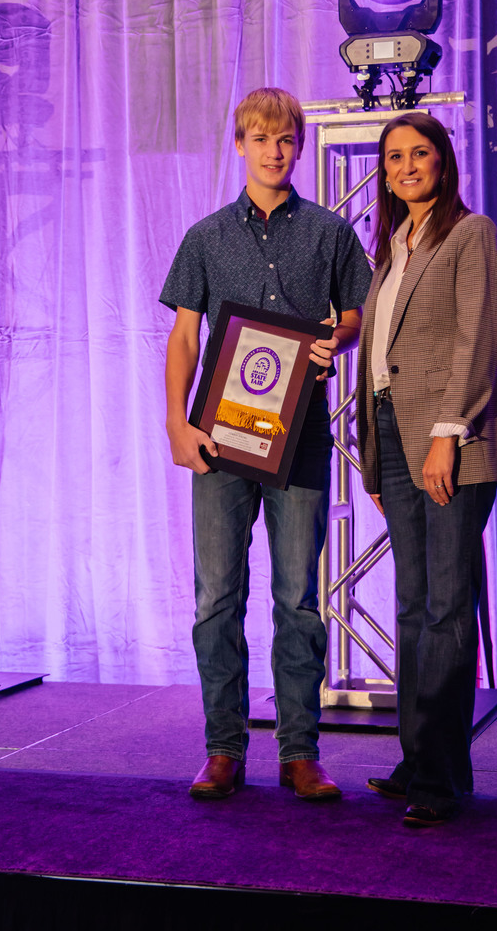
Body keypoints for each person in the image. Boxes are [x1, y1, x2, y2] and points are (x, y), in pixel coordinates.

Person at [161, 88, 372, 801]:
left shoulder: (330, 233)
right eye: (259, 137)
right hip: (218, 443)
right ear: (239, 145)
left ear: (299, 146)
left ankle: (299, 752)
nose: (272, 150)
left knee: (298, 601)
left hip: (300, 440)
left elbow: (353, 316)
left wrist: (333, 340)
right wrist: (174, 423)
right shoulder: (205, 236)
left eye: (284, 139)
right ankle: (222, 749)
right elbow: (186, 336)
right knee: (216, 598)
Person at [355, 112, 497, 827]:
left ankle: (438, 780)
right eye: (394, 157)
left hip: (448, 437)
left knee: (447, 608)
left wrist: (445, 434)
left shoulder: (469, 233)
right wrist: (374, 456)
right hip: (394, 436)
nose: (406, 166)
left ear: (442, 162)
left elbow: (474, 339)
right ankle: (421, 760)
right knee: (412, 608)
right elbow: (382, 357)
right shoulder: (390, 246)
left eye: (419, 153)